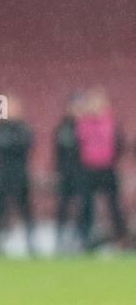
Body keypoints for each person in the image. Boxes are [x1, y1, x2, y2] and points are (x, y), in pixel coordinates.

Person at [76, 88, 127, 248]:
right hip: (88, 169)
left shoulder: (111, 123)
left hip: (107, 168)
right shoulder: (82, 124)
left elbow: (119, 144)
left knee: (114, 206)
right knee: (86, 205)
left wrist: (111, 160)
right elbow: (76, 146)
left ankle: (122, 239)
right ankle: (85, 238)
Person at [0, 97, 35, 253]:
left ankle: (31, 243)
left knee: (26, 210)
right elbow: (0, 146)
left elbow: (23, 147)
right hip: (2, 175)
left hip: (19, 175)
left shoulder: (23, 128)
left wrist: (11, 145)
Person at [53, 93, 85, 252]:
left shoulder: (87, 127)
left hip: (84, 175)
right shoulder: (63, 128)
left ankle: (82, 238)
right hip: (67, 175)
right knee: (63, 207)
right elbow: (58, 152)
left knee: (84, 208)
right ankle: (60, 239)